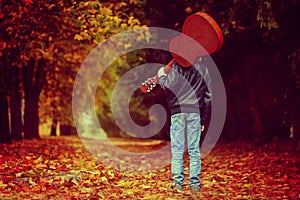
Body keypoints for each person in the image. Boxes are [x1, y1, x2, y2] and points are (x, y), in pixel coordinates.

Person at [157, 57, 211, 192]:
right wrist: (203, 119)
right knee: (194, 150)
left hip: (178, 112)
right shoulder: (203, 69)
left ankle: (178, 184)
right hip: (195, 113)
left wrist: (161, 76)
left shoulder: (176, 67)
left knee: (177, 150)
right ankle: (194, 184)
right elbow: (208, 96)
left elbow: (169, 88)